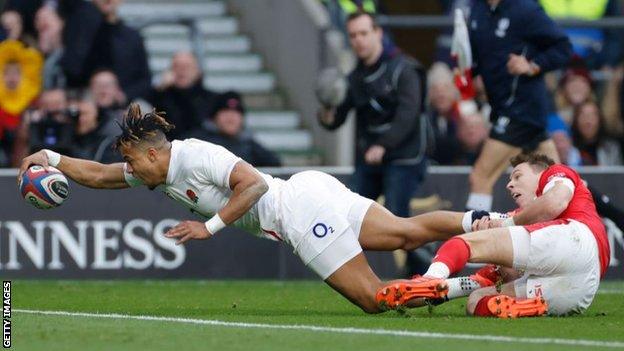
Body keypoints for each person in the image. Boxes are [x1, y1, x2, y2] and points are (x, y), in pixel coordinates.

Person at [19, 103, 480, 314]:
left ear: (155, 153)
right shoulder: (152, 170)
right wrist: (51, 158)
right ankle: (495, 226)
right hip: (308, 191)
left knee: (374, 299)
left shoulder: (196, 156)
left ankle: (470, 282)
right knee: (406, 233)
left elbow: (254, 185)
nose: (128, 168)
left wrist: (211, 228)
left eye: (132, 159)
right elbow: (98, 176)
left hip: (296, 212)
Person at [376, 153, 609, 318]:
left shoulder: (557, 173)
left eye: (517, 176)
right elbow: (489, 278)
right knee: (477, 300)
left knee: (463, 242)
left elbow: (553, 204)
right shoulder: (519, 218)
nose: (510, 185)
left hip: (579, 241)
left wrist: (504, 225)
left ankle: (430, 276)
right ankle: (524, 308)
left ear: (541, 174)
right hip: (579, 291)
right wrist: (443, 289)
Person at [318, 11, 427, 232]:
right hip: (370, 160)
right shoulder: (354, 77)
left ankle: (431, 264)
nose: (358, 40)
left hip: (403, 157)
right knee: (346, 214)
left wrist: (382, 145)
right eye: (353, 35)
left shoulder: (404, 69)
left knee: (399, 221)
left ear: (378, 33)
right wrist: (327, 108)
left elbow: (409, 114)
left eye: (363, 33)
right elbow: (336, 119)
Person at [464, 0, 572, 212]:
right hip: (502, 107)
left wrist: (533, 65)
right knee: (558, 179)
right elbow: (477, 54)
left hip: (521, 110)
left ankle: (473, 239)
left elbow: (563, 47)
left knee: (480, 176)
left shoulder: (525, 9)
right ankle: (601, 216)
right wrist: (472, 74)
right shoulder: (477, 10)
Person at [61, 0, 151, 101]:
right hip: (86, 102)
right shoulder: (79, 32)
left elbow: (145, 80)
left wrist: (123, 95)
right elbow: (71, 69)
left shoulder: (132, 37)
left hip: (124, 106)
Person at [184, 91, 281, 167]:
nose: (231, 117)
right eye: (225, 111)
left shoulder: (250, 145)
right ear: (214, 117)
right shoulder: (197, 141)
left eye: (236, 112)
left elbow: (276, 165)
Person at [150, 52, 217, 139]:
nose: (181, 70)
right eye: (177, 66)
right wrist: (160, 89)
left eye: (187, 67)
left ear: (197, 71)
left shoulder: (212, 99)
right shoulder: (160, 96)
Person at [571, 101, 623, 166]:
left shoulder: (611, 148)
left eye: (592, 115)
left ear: (600, 120)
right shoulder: (569, 147)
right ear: (576, 120)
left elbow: (617, 174)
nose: (588, 121)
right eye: (583, 115)